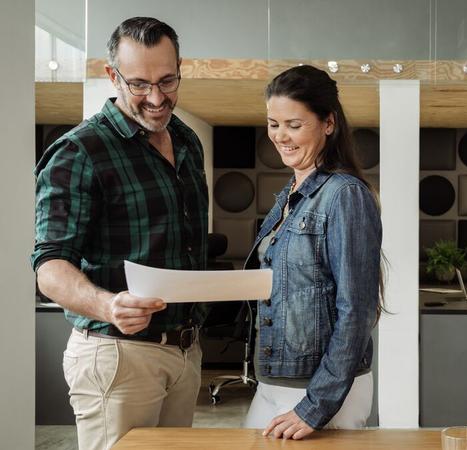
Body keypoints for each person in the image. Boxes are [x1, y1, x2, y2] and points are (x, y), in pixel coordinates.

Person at [31, 17, 208, 450]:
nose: (156, 97)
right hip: (117, 355)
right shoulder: (80, 151)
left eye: (168, 81)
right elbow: (49, 264)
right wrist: (108, 304)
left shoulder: (186, 140)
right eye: (139, 84)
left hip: (185, 352)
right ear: (113, 76)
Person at [242, 65, 383, 440]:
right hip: (274, 380)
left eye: (293, 124)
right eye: (273, 123)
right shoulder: (289, 195)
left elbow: (357, 309)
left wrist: (315, 406)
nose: (280, 136)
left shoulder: (344, 195)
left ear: (328, 123)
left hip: (321, 390)